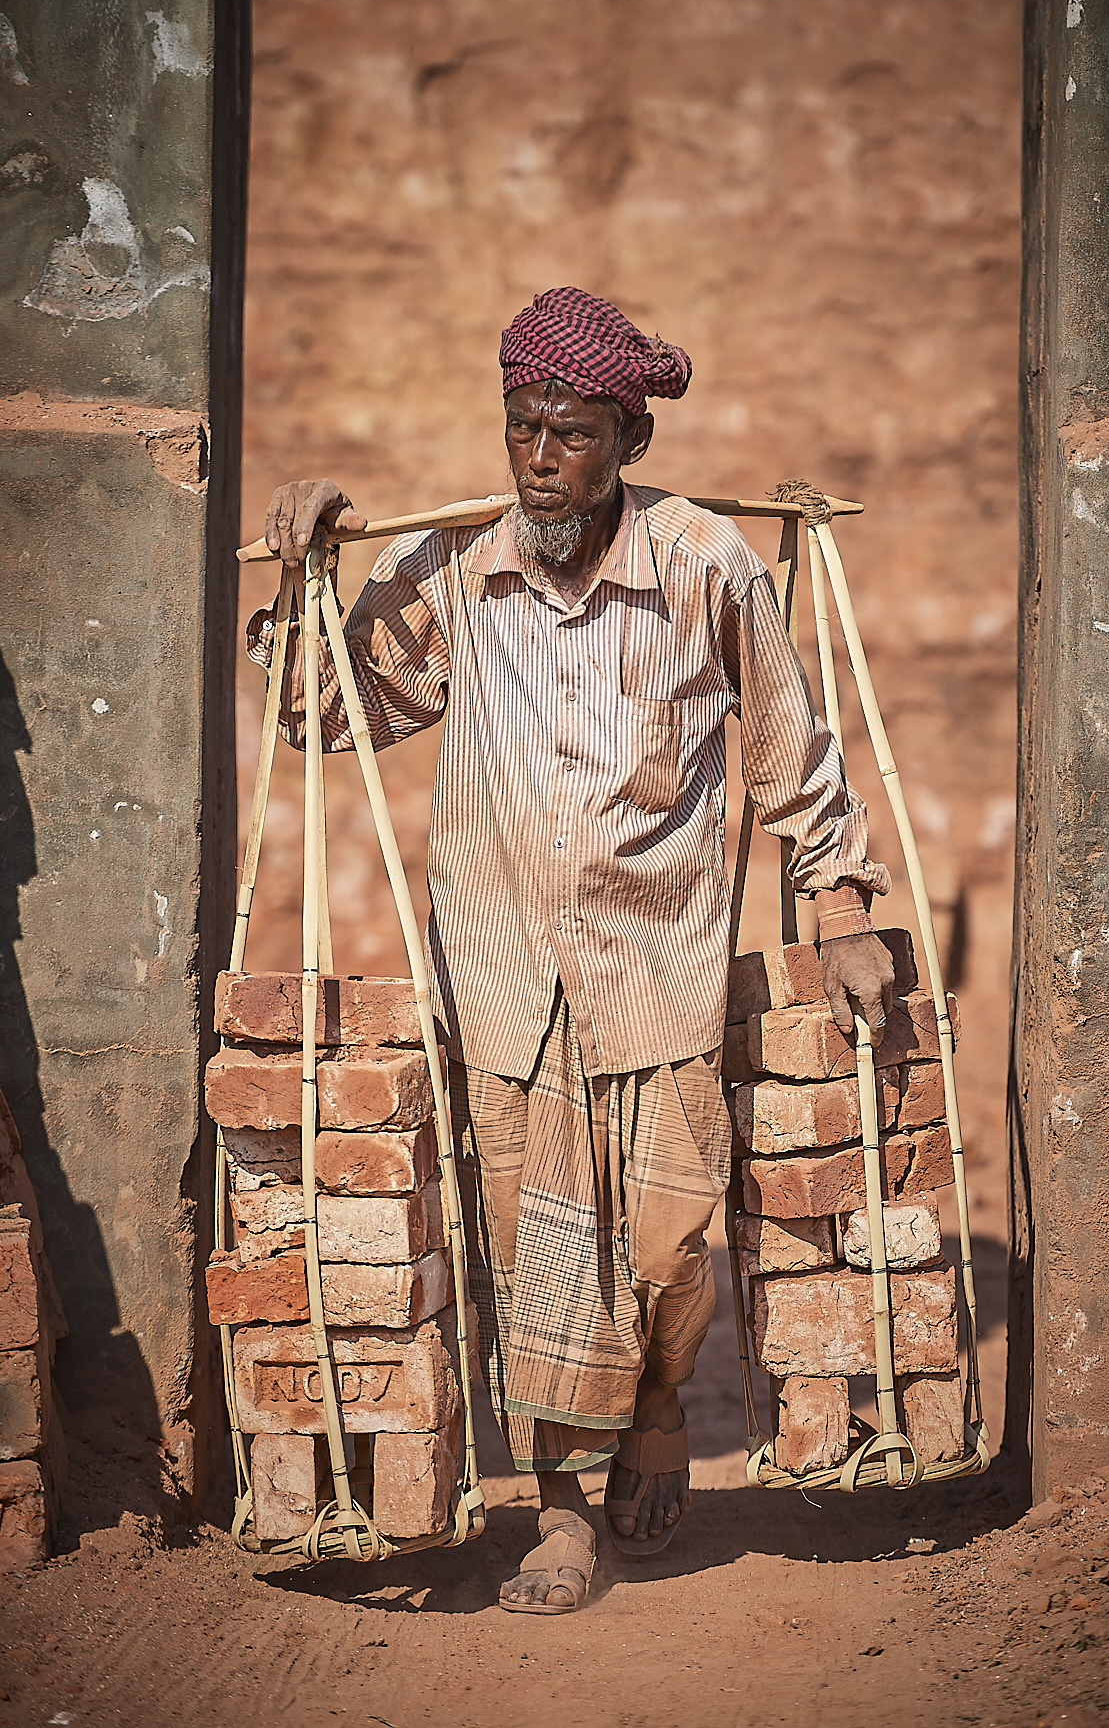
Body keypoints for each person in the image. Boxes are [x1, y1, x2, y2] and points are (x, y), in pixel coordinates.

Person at [251, 286, 894, 1616]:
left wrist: (843, 907)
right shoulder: (448, 570)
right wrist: (302, 577)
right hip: (502, 976)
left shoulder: (708, 564)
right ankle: (558, 1514)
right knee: (528, 1259)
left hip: (654, 967)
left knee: (663, 1251)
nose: (540, 455)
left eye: (573, 432)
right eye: (522, 425)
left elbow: (788, 749)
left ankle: (658, 1408)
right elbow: (323, 709)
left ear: (627, 442)